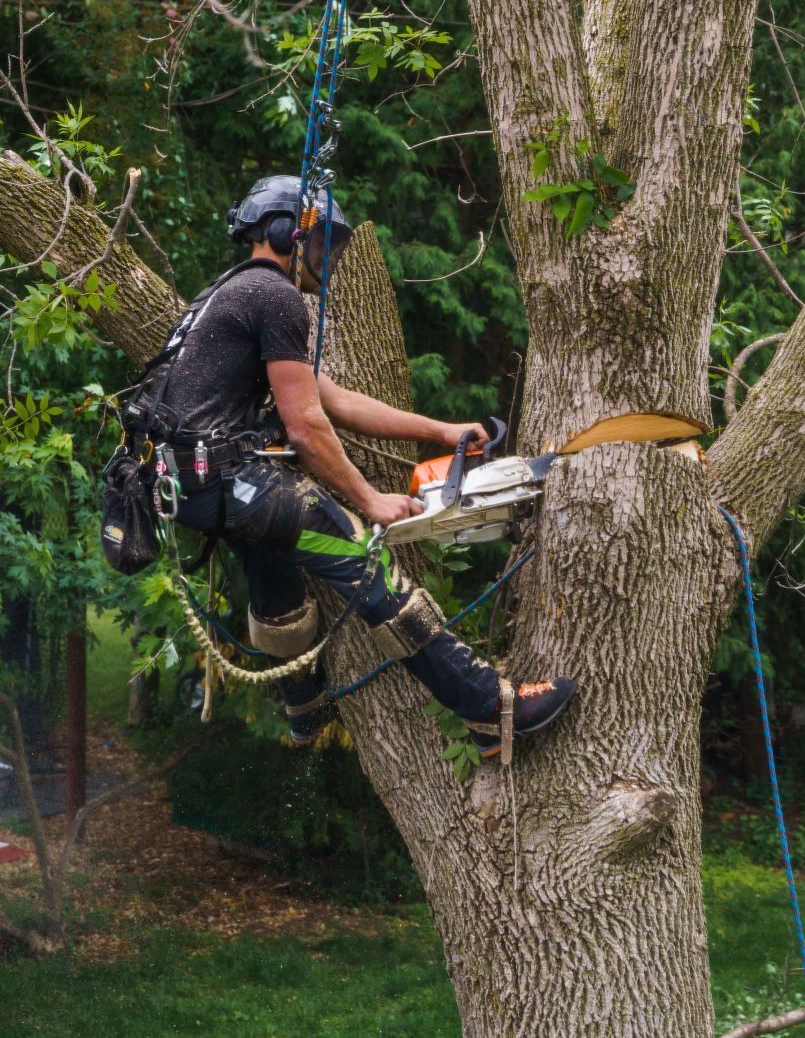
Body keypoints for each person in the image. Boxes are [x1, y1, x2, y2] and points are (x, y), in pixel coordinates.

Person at [139, 175, 575, 753]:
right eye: (322, 245)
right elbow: (307, 425)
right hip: (231, 479)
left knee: (271, 563)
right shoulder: (274, 295)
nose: (330, 262)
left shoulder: (224, 296)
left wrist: (440, 431)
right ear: (280, 231)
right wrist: (370, 503)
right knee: (366, 564)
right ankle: (488, 709)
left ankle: (303, 704)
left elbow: (333, 400)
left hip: (194, 490)